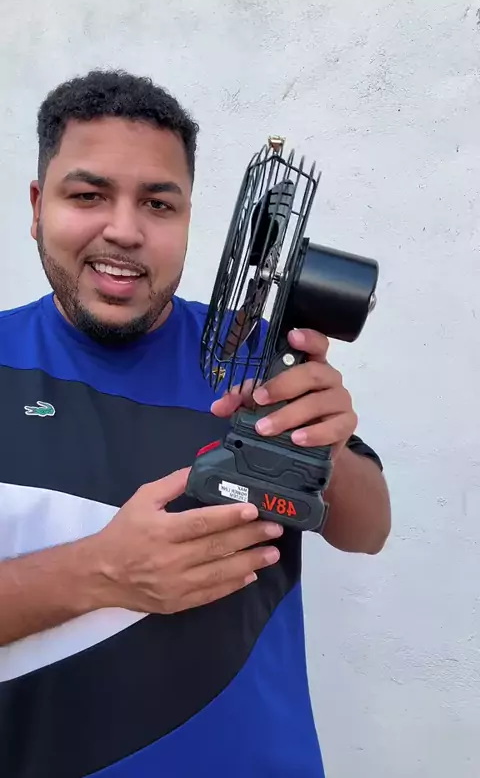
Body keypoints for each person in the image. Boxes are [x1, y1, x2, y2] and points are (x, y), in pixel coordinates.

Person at [0, 70, 390, 778]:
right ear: (36, 206)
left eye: (158, 204)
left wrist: (327, 444)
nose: (124, 230)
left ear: (188, 218)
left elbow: (368, 532)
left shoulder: (254, 356)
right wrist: (100, 573)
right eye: (88, 196)